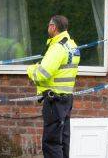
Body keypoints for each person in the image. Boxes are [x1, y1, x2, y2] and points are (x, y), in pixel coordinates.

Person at [27, 15, 80, 158]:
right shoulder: (72, 45)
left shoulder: (57, 48)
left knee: (51, 143)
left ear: (53, 27)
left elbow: (42, 74)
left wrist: (31, 70)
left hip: (54, 101)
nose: (48, 27)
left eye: (49, 25)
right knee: (63, 140)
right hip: (66, 99)